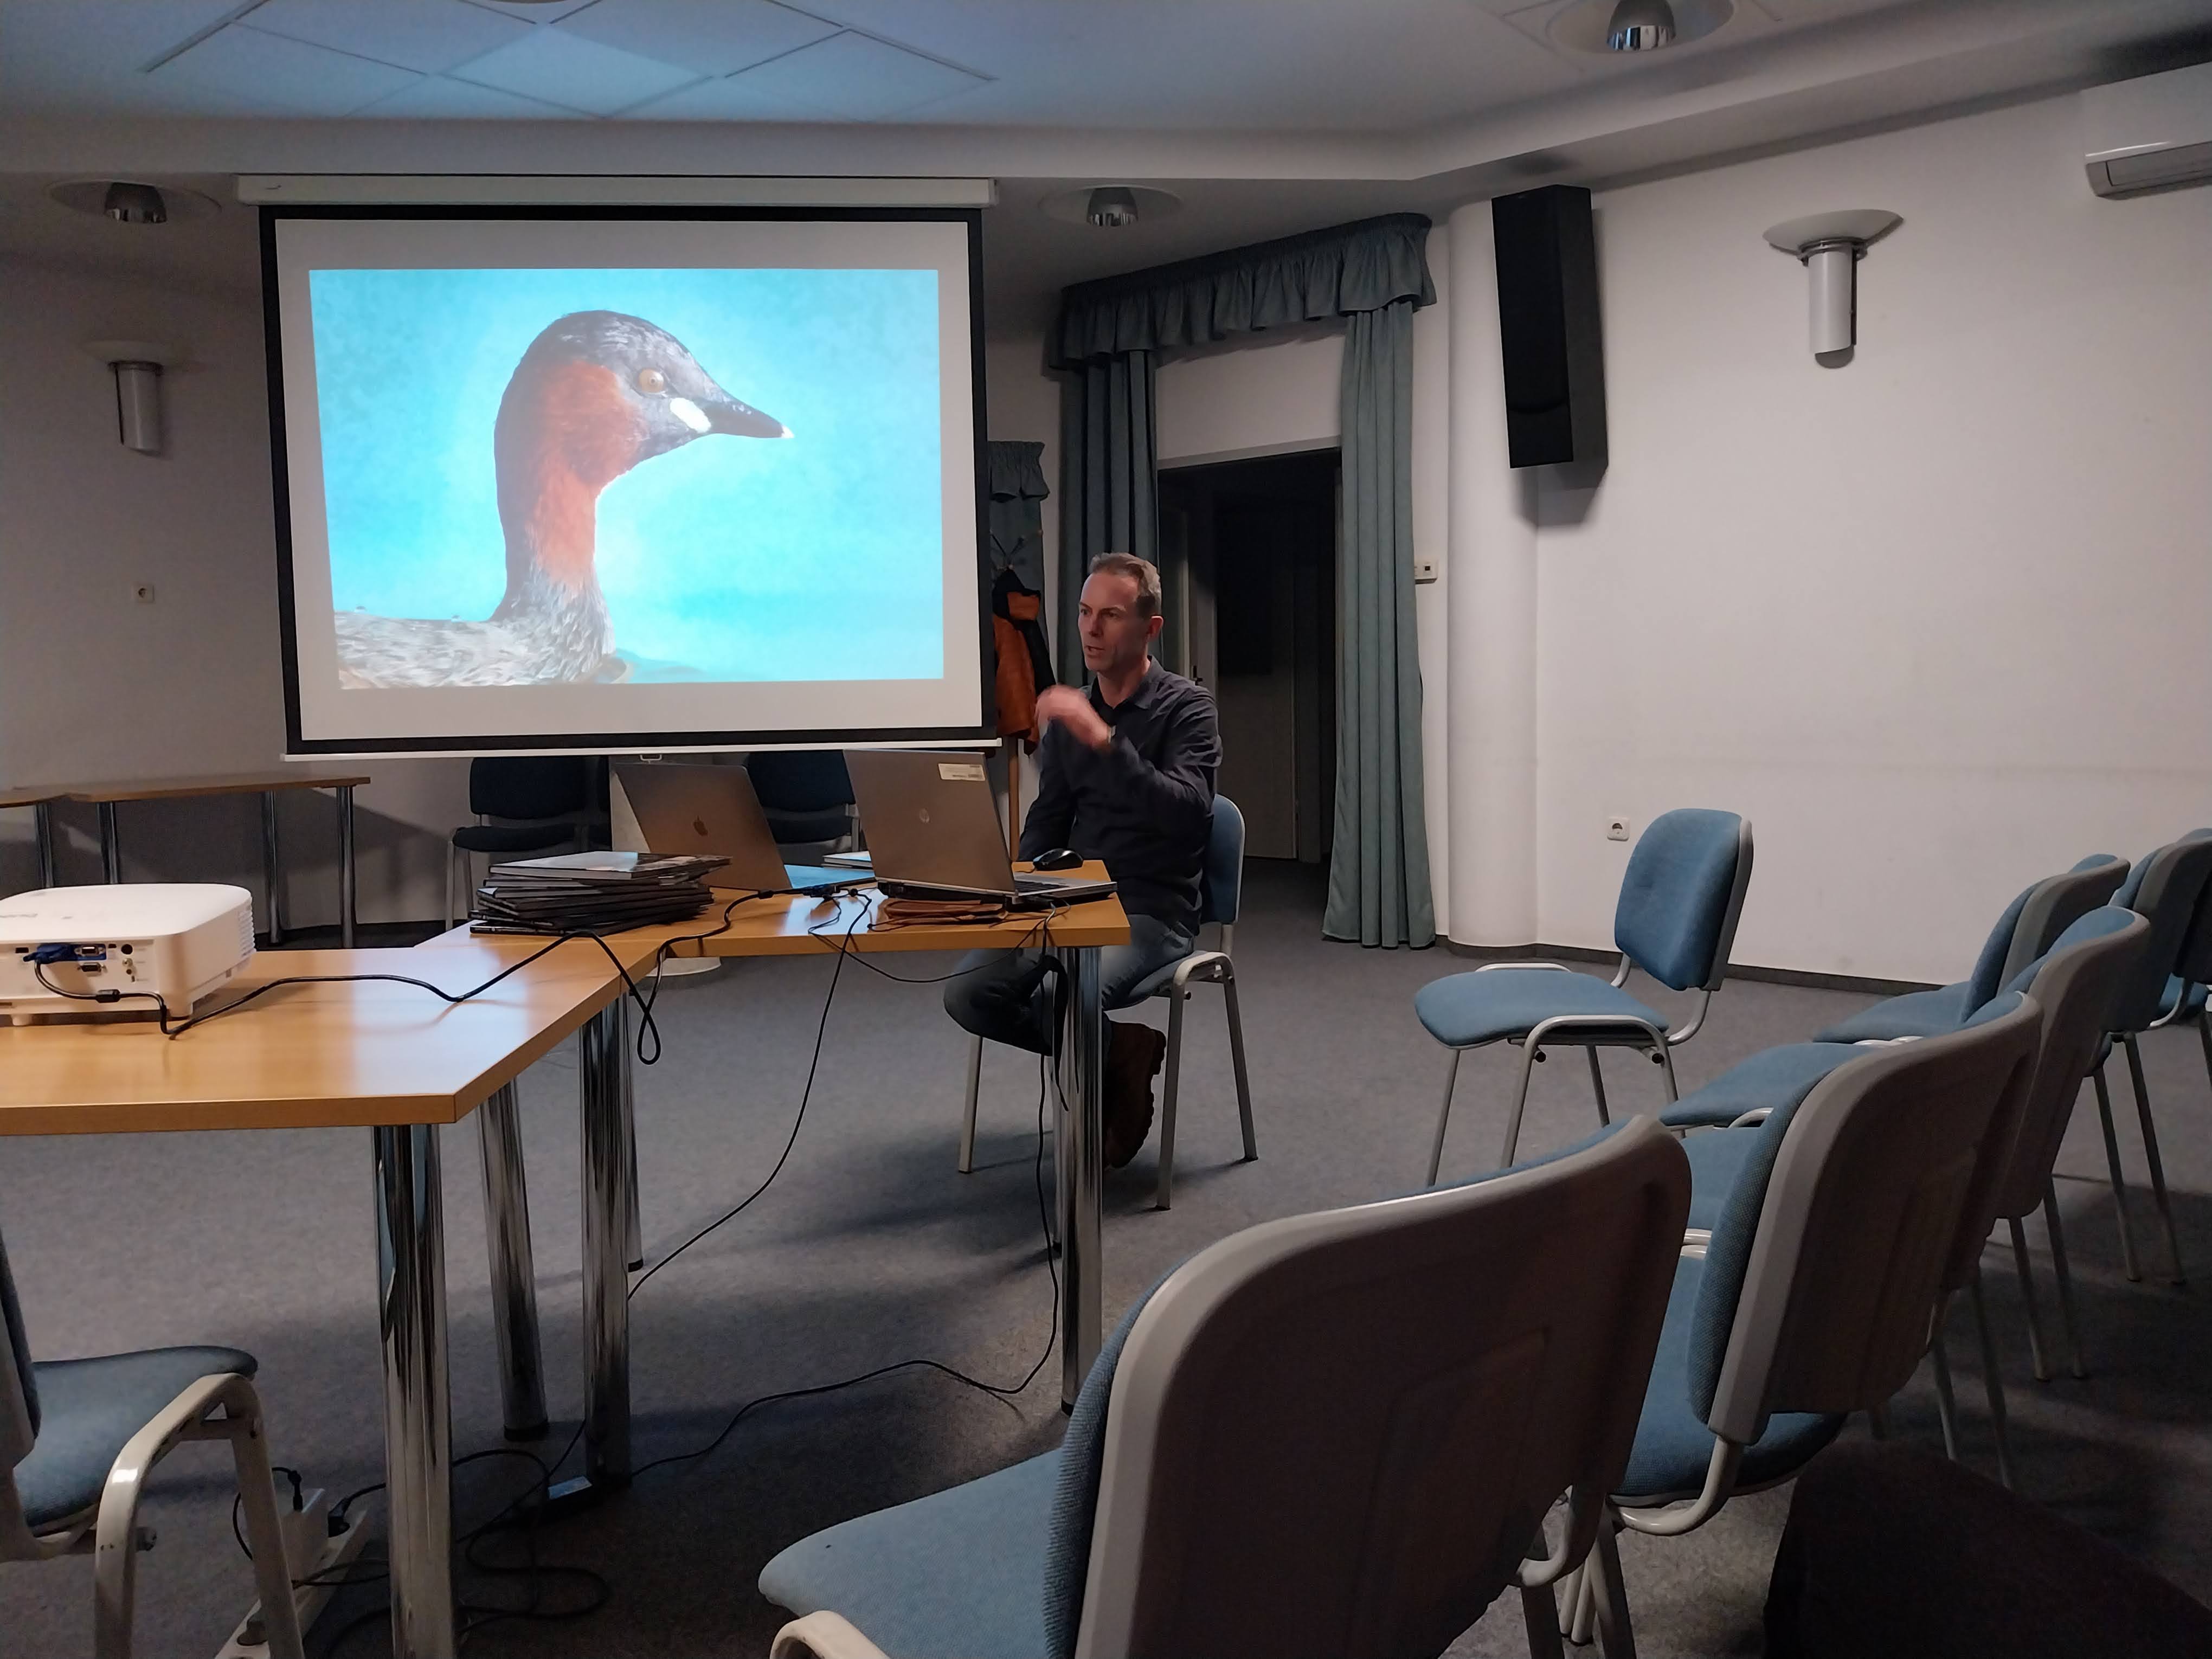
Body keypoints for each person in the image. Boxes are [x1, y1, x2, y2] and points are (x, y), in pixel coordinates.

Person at [944, 552, 1220, 1168]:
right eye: (1084, 613)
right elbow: (1048, 819)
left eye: (1110, 616)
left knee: (1070, 995)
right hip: (1070, 902)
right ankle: (1121, 1049)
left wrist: (1104, 739)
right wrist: (1015, 891)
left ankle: (1091, 1133)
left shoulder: (1187, 708)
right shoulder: (1074, 716)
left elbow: (1187, 813)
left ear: (1150, 628)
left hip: (1151, 909)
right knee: (967, 995)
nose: (1091, 630)